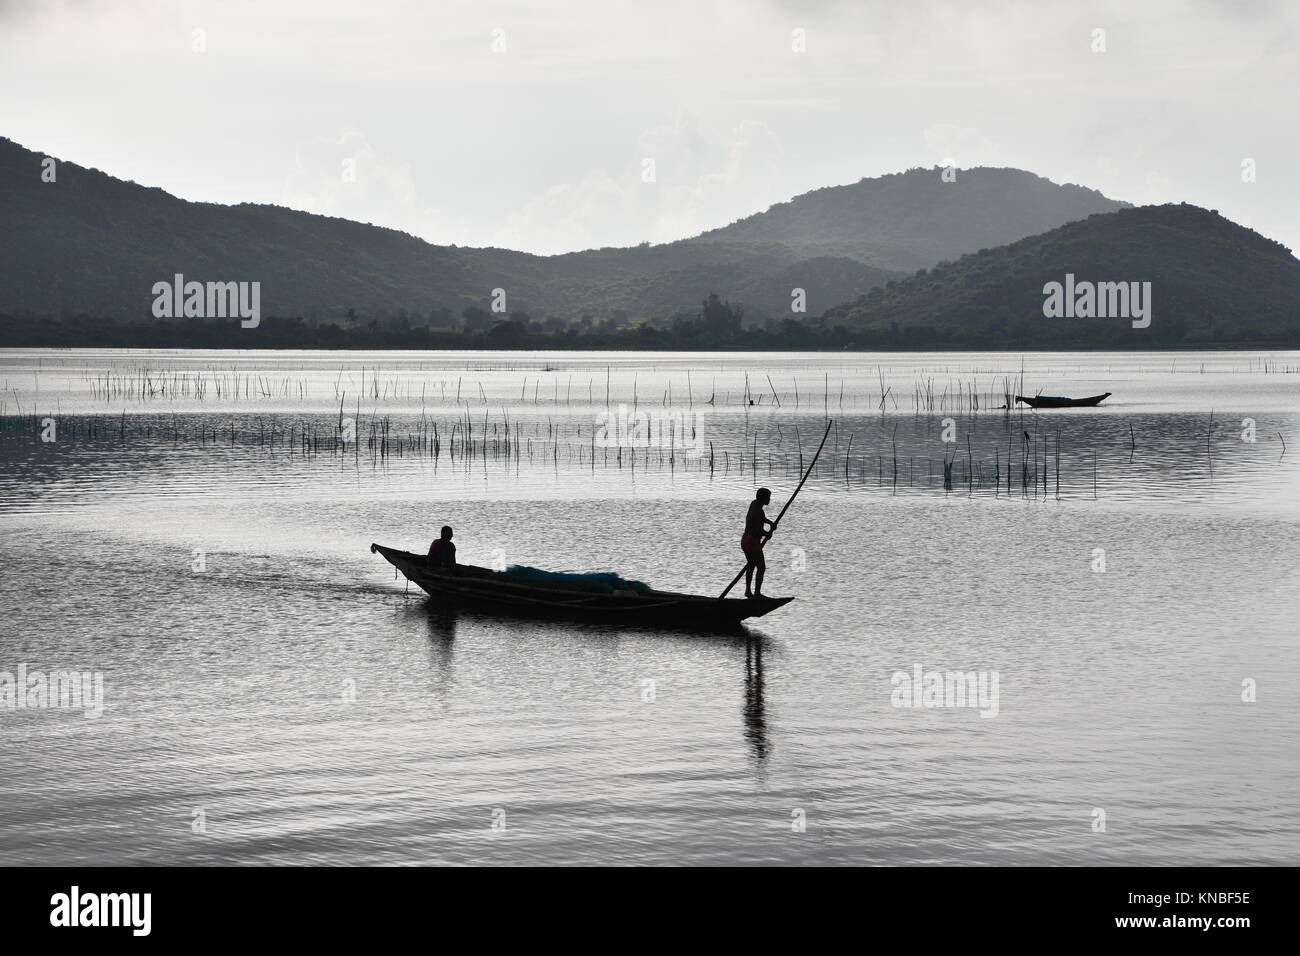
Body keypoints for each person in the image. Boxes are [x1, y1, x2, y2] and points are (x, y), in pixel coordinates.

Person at [741, 488, 774, 598]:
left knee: (751, 565)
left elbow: (759, 518)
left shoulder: (754, 504)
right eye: (768, 497)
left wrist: (770, 522)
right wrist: (767, 534)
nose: (769, 499)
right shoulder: (759, 510)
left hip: (745, 540)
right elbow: (757, 530)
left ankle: (748, 591)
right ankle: (757, 593)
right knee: (761, 567)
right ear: (763, 498)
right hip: (752, 542)